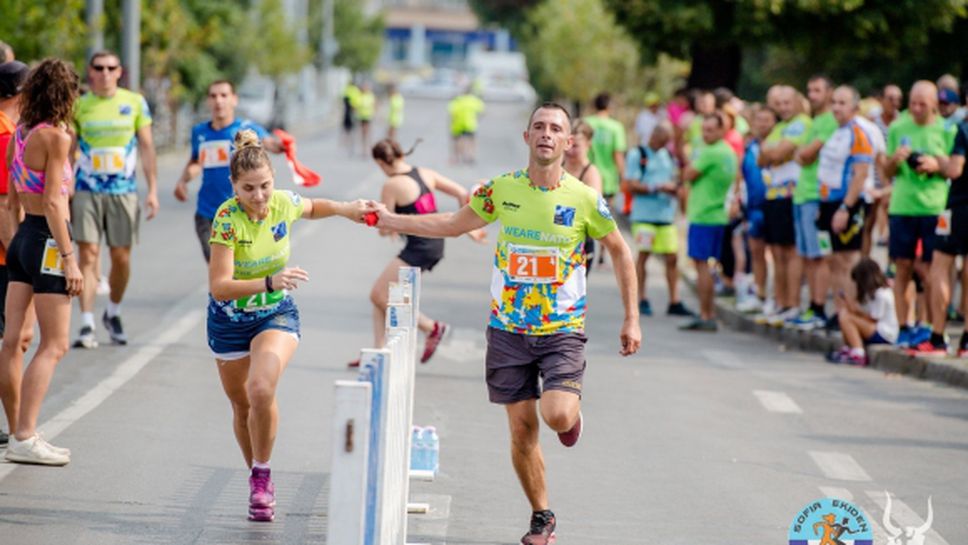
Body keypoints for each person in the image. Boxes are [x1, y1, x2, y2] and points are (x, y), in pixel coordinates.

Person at [367, 103, 641, 545]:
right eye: (539, 127)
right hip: (508, 328)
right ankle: (541, 516)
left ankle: (570, 416)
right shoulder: (502, 190)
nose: (547, 134)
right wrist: (392, 219)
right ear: (527, 136)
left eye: (556, 129)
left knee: (555, 415)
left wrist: (632, 319)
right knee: (520, 429)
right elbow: (454, 223)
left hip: (561, 329)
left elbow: (621, 250)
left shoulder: (584, 198)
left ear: (569, 143)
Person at [208, 129, 368, 522]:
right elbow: (220, 286)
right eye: (248, 189)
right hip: (229, 321)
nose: (259, 197)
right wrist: (267, 280)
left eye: (264, 186)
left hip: (275, 313)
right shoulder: (227, 220)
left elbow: (314, 206)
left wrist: (349, 209)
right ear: (234, 187)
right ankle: (256, 472)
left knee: (260, 388)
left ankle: (262, 476)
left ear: (274, 182)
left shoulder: (282, 204)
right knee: (241, 404)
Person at [0, 58, 82, 465]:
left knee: (13, 341)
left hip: (22, 238)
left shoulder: (20, 132)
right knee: (55, 344)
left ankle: (19, 430)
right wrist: (69, 259)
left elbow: (13, 199)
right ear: (65, 95)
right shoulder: (56, 138)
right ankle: (25, 434)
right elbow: (54, 201)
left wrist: (20, 246)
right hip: (48, 238)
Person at [352, 138, 485, 368]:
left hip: (420, 246)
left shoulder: (391, 185)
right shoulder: (426, 173)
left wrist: (389, 228)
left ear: (381, 163)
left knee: (378, 294)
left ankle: (431, 327)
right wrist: (469, 227)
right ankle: (378, 351)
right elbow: (463, 194)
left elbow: (384, 225)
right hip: (435, 242)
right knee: (380, 294)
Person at [71, 50, 158, 348]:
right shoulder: (80, 105)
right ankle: (86, 323)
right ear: (90, 71)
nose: (105, 73)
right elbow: (68, 149)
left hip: (123, 191)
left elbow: (146, 146)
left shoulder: (133, 103)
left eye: (111, 68)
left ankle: (113, 311)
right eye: (99, 67)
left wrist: (153, 190)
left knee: (121, 257)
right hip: (87, 189)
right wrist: (65, 186)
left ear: (120, 72)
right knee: (88, 255)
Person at [174, 80, 283, 262]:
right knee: (218, 266)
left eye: (224, 95)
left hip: (240, 212)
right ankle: (220, 291)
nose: (219, 101)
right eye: (213, 96)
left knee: (240, 267)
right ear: (208, 101)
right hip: (208, 213)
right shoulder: (200, 132)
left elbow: (269, 143)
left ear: (234, 100)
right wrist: (182, 181)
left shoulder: (246, 129)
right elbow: (196, 162)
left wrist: (282, 144)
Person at [883, 81, 957, 348]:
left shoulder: (947, 129)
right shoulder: (898, 127)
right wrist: (895, 160)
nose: (916, 109)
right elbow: (885, 172)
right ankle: (904, 326)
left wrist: (936, 164)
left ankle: (929, 326)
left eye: (922, 104)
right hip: (902, 206)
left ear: (935, 103)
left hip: (935, 206)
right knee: (902, 266)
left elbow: (955, 167)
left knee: (931, 271)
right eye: (912, 103)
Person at [911, 104, 968, 356]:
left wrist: (938, 159)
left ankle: (937, 338)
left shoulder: (963, 129)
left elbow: (955, 169)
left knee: (939, 266)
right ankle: (966, 342)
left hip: (959, 206)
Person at [816, 86, 875, 320]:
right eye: (834, 102)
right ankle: (840, 310)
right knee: (834, 260)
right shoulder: (835, 131)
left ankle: (851, 312)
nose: (837, 108)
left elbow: (860, 174)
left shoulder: (858, 133)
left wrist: (845, 208)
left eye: (843, 103)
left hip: (846, 204)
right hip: (827, 202)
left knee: (848, 260)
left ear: (854, 107)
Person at [0, 59, 35, 448]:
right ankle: (16, 430)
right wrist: (17, 258)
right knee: (15, 338)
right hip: (5, 256)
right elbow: (1, 207)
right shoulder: (5, 136)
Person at [624, 123, 692, 317]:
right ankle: (641, 298)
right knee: (644, 255)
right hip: (644, 216)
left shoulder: (668, 156)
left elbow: (676, 180)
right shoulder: (638, 154)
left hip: (665, 216)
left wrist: (676, 191)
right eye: (661, 140)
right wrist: (658, 187)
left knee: (672, 258)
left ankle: (674, 300)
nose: (663, 144)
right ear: (654, 135)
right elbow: (630, 185)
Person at [757, 86, 810, 327]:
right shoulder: (779, 127)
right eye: (781, 104)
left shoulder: (802, 124)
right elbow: (761, 158)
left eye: (789, 102)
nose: (784, 107)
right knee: (777, 253)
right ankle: (780, 302)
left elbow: (777, 153)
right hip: (773, 195)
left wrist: (772, 151)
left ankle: (792, 303)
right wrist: (772, 151)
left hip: (791, 195)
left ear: (798, 103)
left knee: (790, 252)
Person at [680, 113, 739, 331]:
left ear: (723, 130)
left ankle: (707, 314)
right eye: (704, 130)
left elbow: (688, 173)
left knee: (701, 266)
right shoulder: (729, 153)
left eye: (711, 130)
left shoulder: (711, 153)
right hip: (718, 215)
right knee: (708, 267)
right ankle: (708, 312)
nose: (706, 134)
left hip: (703, 215)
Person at [736, 105, 777, 314]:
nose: (762, 124)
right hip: (753, 207)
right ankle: (760, 294)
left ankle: (777, 298)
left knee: (777, 254)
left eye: (767, 120)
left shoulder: (778, 144)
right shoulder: (749, 147)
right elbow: (741, 174)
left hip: (774, 203)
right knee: (756, 251)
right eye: (759, 120)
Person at [827, 258, 897, 366]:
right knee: (844, 313)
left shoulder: (882, 294)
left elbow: (874, 318)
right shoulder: (873, 293)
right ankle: (848, 347)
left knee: (847, 318)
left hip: (885, 333)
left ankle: (858, 352)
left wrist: (856, 312)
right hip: (877, 329)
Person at [563, 120, 603, 270]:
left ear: (588, 144)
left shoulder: (591, 174)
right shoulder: (556, 167)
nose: (570, 150)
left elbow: (593, 210)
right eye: (568, 144)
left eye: (576, 146)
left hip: (579, 245)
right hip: (552, 241)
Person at [584, 92, 627, 213]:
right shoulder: (616, 127)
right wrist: (623, 177)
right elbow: (618, 155)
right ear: (609, 106)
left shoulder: (585, 123)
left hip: (585, 177)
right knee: (604, 219)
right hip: (608, 181)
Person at [448, 88, 485, 164]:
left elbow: (452, 112)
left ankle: (457, 158)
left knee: (458, 141)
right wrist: (476, 119)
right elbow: (482, 111)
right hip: (471, 124)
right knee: (471, 141)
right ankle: (470, 157)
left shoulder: (457, 100)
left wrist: (452, 123)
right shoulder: (474, 100)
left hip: (458, 124)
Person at [341, 81, 360, 155]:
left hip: (348, 110)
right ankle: (350, 141)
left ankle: (347, 140)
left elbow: (344, 99)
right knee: (352, 127)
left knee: (347, 127)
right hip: (353, 109)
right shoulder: (355, 90)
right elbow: (357, 100)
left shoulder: (347, 89)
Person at [356, 81, 376, 154]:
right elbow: (356, 106)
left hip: (368, 116)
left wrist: (375, 113)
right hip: (361, 117)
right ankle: (364, 148)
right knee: (363, 133)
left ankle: (369, 148)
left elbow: (374, 105)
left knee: (368, 132)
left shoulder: (370, 96)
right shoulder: (360, 96)